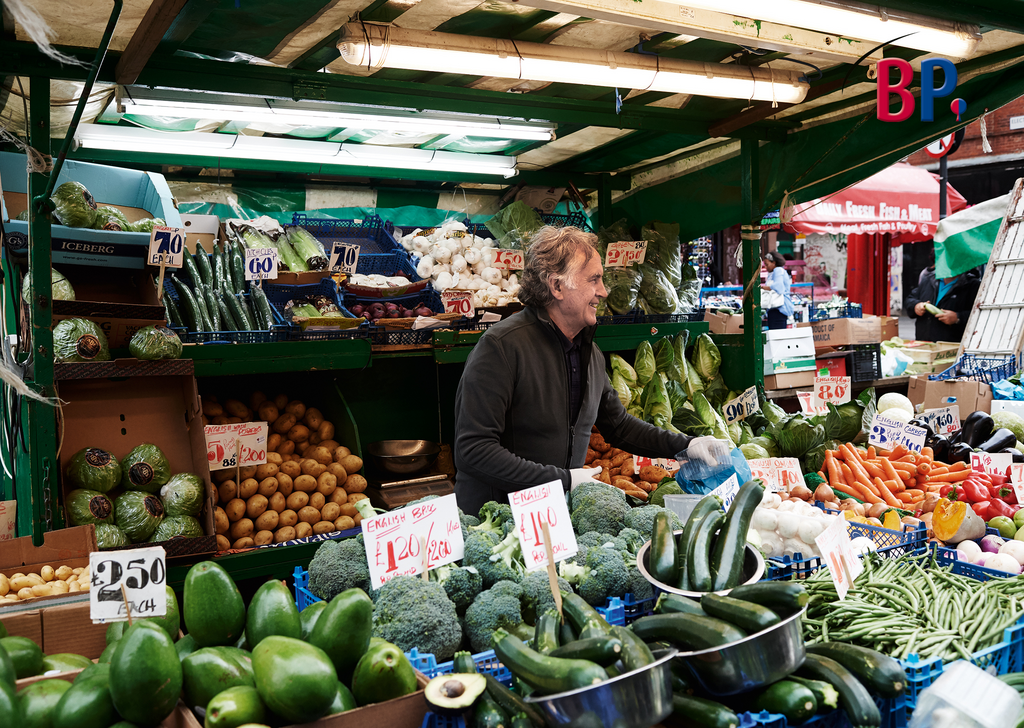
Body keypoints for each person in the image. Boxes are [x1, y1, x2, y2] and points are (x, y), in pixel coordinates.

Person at [452, 226, 695, 515]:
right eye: (594, 280)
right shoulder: (500, 348)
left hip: (552, 518)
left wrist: (688, 446)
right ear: (556, 286)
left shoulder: (589, 353)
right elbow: (473, 450)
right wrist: (563, 480)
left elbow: (618, 426)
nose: (603, 292)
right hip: (496, 520)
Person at [906, 266, 981, 342]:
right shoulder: (929, 280)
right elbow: (910, 299)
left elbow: (980, 314)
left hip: (951, 346)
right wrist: (916, 306)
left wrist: (958, 318)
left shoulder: (972, 285)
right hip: (924, 343)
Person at [761, 251, 794, 330]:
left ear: (774, 263)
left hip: (779, 309)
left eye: (767, 264)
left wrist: (763, 288)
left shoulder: (778, 270)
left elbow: (778, 287)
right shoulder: (776, 271)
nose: (765, 267)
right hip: (777, 309)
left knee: (776, 335)